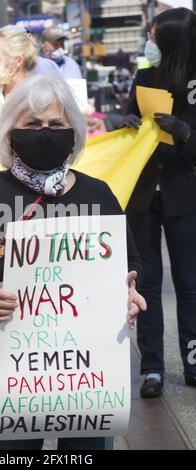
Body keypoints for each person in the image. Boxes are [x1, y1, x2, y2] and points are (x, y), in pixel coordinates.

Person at [0, 74, 146, 450]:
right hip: (3, 370)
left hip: (89, 371)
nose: (45, 133)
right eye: (32, 124)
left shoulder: (99, 195)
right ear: (10, 133)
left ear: (73, 134)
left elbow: (131, 263)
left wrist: (129, 291)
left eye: (56, 125)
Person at [120, 8, 196, 397]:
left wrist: (185, 132)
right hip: (144, 196)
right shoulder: (145, 75)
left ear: (172, 39)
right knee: (146, 283)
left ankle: (192, 362)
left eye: (153, 35)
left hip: (186, 194)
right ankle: (152, 369)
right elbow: (129, 116)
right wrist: (124, 122)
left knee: (189, 284)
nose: (148, 42)